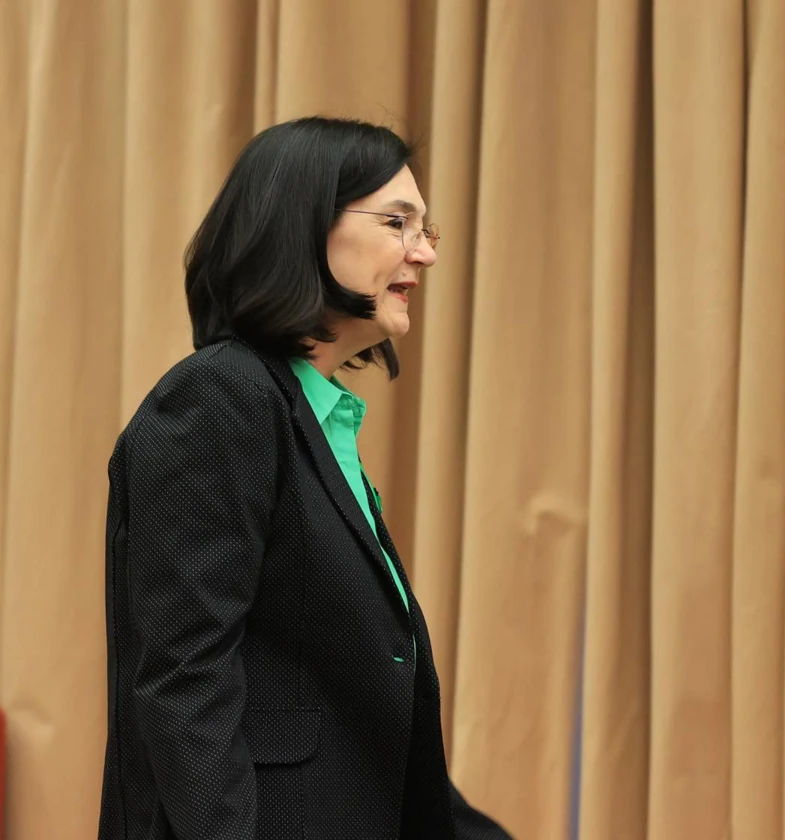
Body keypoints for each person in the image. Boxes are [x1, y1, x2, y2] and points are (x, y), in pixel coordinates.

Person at [98, 117, 512, 839]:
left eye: (426, 227)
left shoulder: (312, 417)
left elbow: (370, 729)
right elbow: (184, 681)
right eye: (397, 222)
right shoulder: (218, 399)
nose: (425, 252)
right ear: (304, 226)